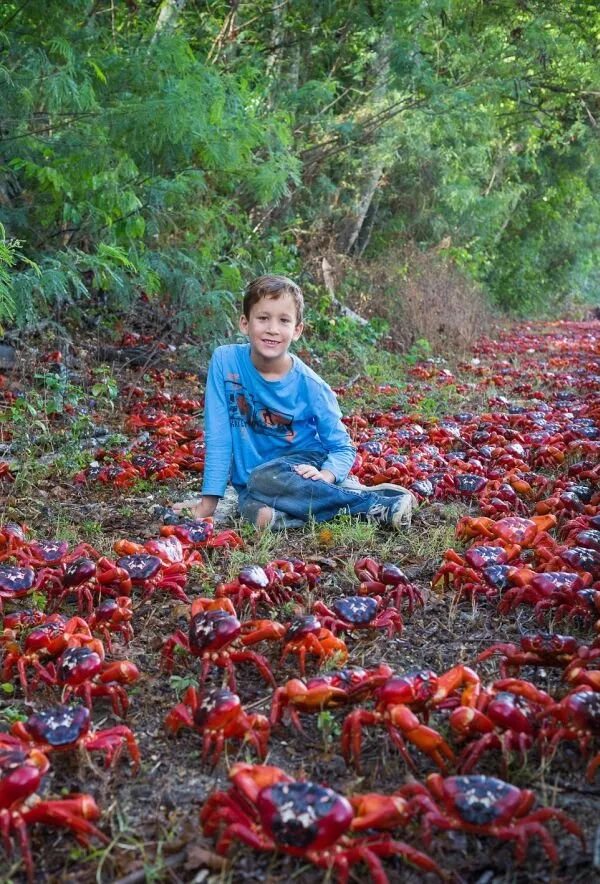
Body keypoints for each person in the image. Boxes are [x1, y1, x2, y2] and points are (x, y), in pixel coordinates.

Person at [171, 274, 415, 530]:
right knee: (263, 518)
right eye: (263, 318)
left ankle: (374, 504)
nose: (272, 329)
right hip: (255, 486)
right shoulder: (225, 361)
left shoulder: (311, 386)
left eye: (284, 320)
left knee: (263, 477)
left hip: (303, 464)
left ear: (297, 330)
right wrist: (207, 505)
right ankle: (345, 494)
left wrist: (326, 475)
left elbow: (342, 448)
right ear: (245, 323)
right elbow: (219, 436)